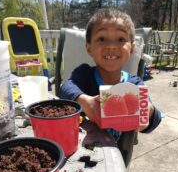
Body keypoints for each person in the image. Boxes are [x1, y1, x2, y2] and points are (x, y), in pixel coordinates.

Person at [60, 8, 161, 141]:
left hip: (118, 154)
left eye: (120, 39)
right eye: (102, 39)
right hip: (82, 149)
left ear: (131, 48)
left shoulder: (134, 84)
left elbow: (155, 118)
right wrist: (86, 102)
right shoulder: (84, 74)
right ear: (89, 48)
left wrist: (149, 111)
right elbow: (65, 87)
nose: (111, 46)